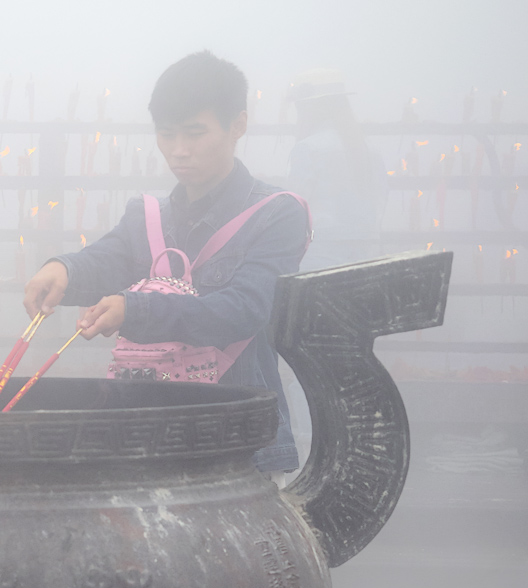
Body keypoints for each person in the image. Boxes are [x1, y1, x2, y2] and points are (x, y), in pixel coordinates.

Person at [23, 51, 310, 485]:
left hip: (235, 438)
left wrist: (135, 311)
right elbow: (108, 258)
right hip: (146, 431)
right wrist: (62, 270)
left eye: (195, 133)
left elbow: (246, 308)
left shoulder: (276, 215)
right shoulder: (148, 215)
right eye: (167, 135)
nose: (179, 151)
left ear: (238, 126)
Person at [286, 68, 384, 270]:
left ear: (309, 107)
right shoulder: (370, 149)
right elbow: (380, 201)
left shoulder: (308, 149)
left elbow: (294, 209)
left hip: (317, 257)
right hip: (366, 254)